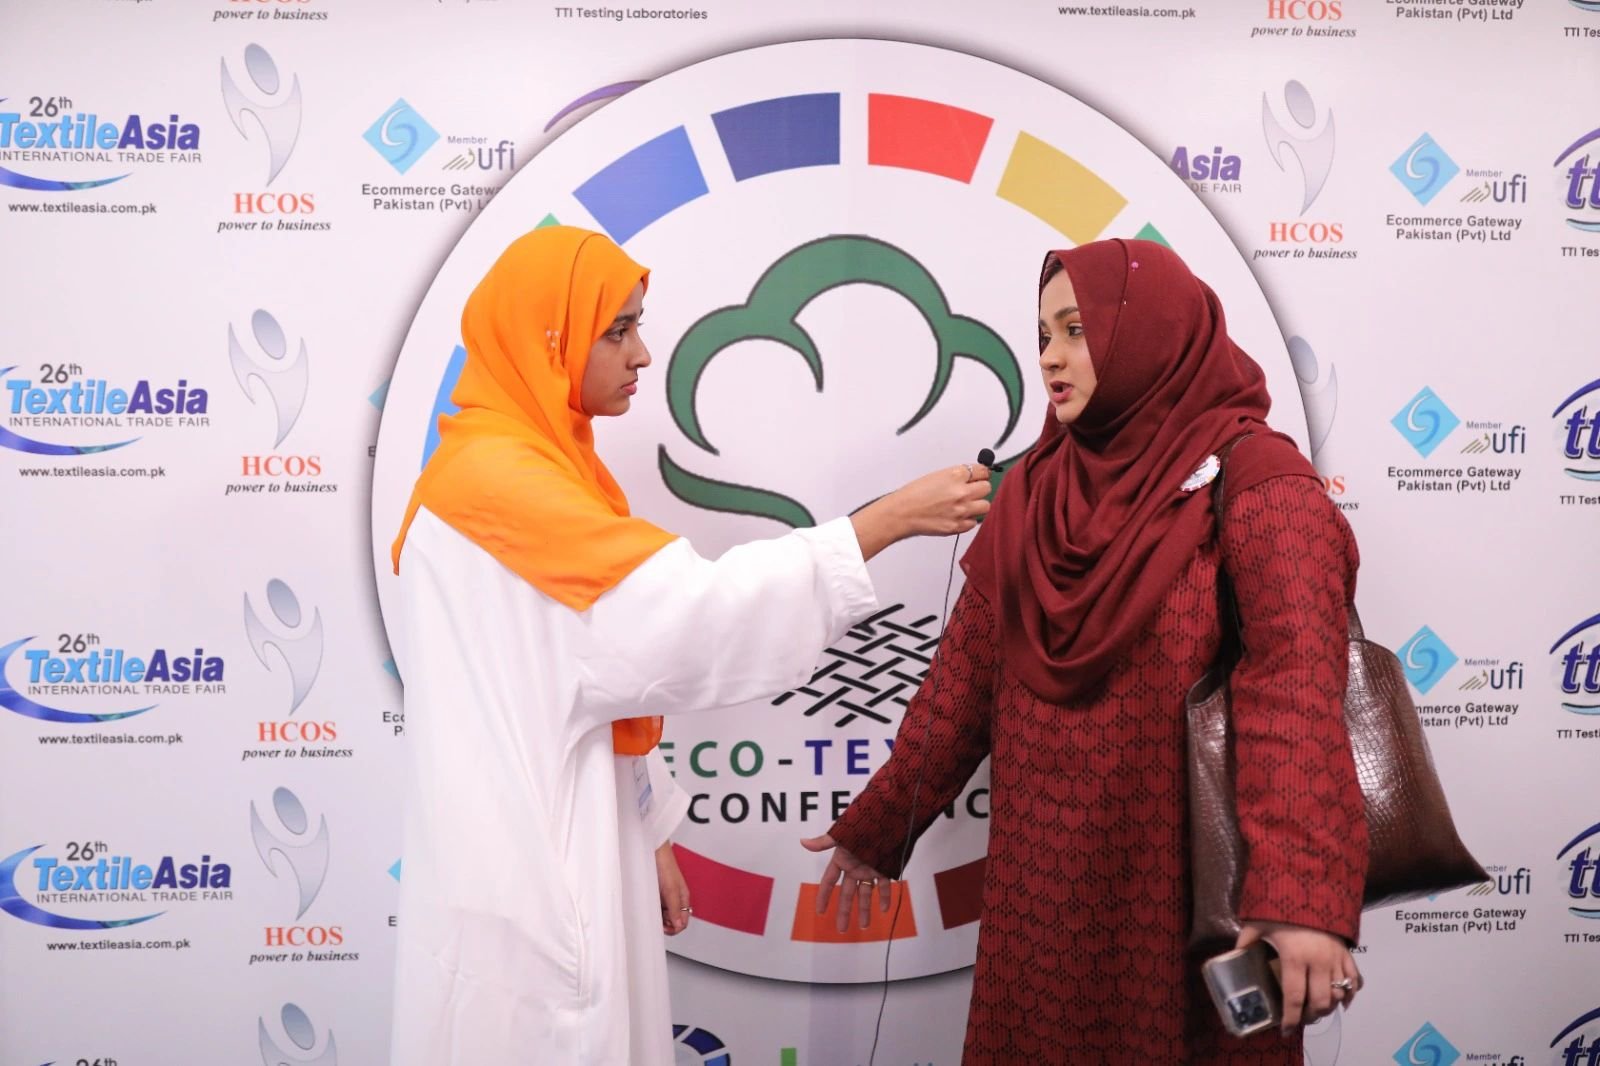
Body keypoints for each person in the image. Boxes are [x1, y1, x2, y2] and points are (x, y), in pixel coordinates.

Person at [386, 225, 991, 1066]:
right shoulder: (509, 495)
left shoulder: (489, 473)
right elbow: (694, 620)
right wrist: (881, 524)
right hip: (540, 901)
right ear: (550, 337)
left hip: (520, 868)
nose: (641, 354)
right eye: (617, 330)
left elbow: (586, 678)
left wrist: (649, 829)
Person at [803, 238, 1368, 1063]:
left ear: (1152, 333)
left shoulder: (1262, 490)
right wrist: (879, 824)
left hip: (1189, 901)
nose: (1051, 358)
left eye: (1077, 329)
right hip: (1042, 907)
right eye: (1043, 335)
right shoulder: (1035, 490)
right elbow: (963, 683)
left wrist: (1299, 896)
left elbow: (1297, 699)